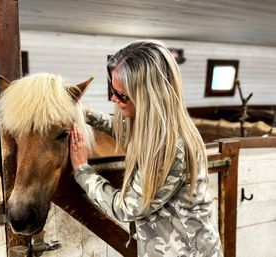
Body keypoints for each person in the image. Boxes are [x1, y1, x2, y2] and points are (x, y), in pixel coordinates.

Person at [69, 40, 223, 257]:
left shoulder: (167, 146)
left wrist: (83, 171)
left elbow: (126, 208)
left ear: (148, 96)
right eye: (112, 90)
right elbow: (127, 131)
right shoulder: (155, 123)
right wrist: (86, 114)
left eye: (121, 94)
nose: (113, 98)